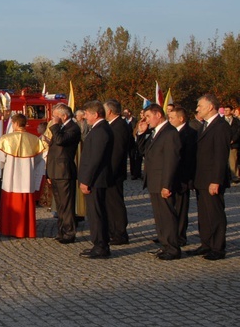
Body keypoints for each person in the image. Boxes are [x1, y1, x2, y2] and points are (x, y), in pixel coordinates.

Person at [186, 94, 231, 260]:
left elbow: (220, 156)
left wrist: (216, 180)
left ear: (211, 107)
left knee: (215, 213)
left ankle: (218, 248)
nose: (197, 109)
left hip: (212, 179)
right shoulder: (204, 126)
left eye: (200, 106)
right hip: (201, 178)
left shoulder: (220, 126)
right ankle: (206, 244)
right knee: (204, 214)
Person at [137, 104, 182, 260]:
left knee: (167, 215)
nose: (146, 120)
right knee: (159, 216)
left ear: (158, 115)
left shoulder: (170, 133)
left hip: (163, 182)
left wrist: (167, 185)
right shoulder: (156, 132)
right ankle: (165, 245)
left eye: (148, 116)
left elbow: (171, 161)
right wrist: (142, 133)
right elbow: (143, 151)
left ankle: (173, 248)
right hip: (153, 181)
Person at [0, 114, 46, 238]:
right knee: (25, 201)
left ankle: (9, 229)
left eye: (12, 123)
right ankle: (26, 229)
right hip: (26, 176)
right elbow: (39, 158)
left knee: (10, 201)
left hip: (10, 176)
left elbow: (1, 159)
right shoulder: (34, 139)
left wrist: (2, 168)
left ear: (16, 123)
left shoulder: (6, 139)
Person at [77, 100, 114, 259]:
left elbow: (95, 159)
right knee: (95, 213)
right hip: (95, 179)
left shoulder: (101, 131)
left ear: (95, 114)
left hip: (96, 180)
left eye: (87, 114)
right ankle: (99, 243)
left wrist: (86, 180)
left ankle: (101, 245)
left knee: (96, 213)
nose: (85, 117)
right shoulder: (99, 129)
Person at [46, 103, 81, 244]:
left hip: (64, 171)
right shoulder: (61, 128)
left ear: (64, 116)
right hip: (55, 170)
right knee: (60, 205)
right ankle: (61, 231)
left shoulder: (73, 128)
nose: (53, 118)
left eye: (56, 116)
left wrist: (54, 126)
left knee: (66, 204)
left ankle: (69, 232)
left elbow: (61, 141)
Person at [104, 99, 132, 245]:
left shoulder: (119, 126)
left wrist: (110, 172)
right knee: (110, 204)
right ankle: (113, 231)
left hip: (114, 173)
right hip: (110, 172)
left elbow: (117, 152)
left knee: (116, 204)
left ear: (109, 111)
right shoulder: (114, 125)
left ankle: (120, 233)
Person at [168, 106, 197, 247]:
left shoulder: (190, 134)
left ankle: (179, 236)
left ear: (181, 118)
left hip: (182, 179)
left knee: (180, 209)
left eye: (172, 118)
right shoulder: (171, 132)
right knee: (171, 208)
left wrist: (187, 180)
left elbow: (189, 159)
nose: (169, 120)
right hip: (171, 178)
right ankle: (170, 234)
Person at [0, 107, 12, 208]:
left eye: (5, 111)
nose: (3, 114)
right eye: (1, 111)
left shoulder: (12, 124)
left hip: (9, 156)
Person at [223, 104, 240, 183]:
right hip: (223, 143)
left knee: (233, 161)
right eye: (224, 110)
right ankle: (224, 176)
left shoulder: (236, 121)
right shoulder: (221, 120)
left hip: (233, 144)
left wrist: (233, 139)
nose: (225, 112)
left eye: (227, 110)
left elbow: (238, 131)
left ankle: (235, 177)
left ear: (231, 111)